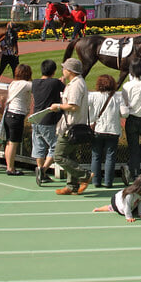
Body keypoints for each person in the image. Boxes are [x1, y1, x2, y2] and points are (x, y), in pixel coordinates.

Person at [50, 57, 92, 195]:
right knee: (71, 156)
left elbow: (73, 106)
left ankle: (84, 175)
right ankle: (71, 186)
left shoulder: (76, 85)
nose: (62, 70)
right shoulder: (76, 83)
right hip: (73, 124)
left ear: (70, 71)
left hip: (71, 125)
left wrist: (58, 106)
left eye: (64, 68)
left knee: (59, 156)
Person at [87, 73, 127, 187]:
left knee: (96, 156)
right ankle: (108, 182)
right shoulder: (118, 97)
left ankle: (96, 181)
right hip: (113, 130)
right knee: (110, 157)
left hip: (98, 130)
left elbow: (85, 105)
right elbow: (125, 114)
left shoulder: (93, 96)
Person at [31, 59, 64, 186]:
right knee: (55, 146)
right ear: (53, 71)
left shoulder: (35, 82)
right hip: (48, 119)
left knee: (39, 146)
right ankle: (42, 170)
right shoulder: (55, 83)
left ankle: (42, 172)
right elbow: (64, 90)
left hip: (36, 118)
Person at [2, 63, 33, 175]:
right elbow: (38, 86)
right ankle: (10, 168)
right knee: (13, 143)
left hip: (9, 114)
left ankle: (9, 166)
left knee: (9, 142)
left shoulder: (13, 83)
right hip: (17, 115)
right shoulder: (25, 84)